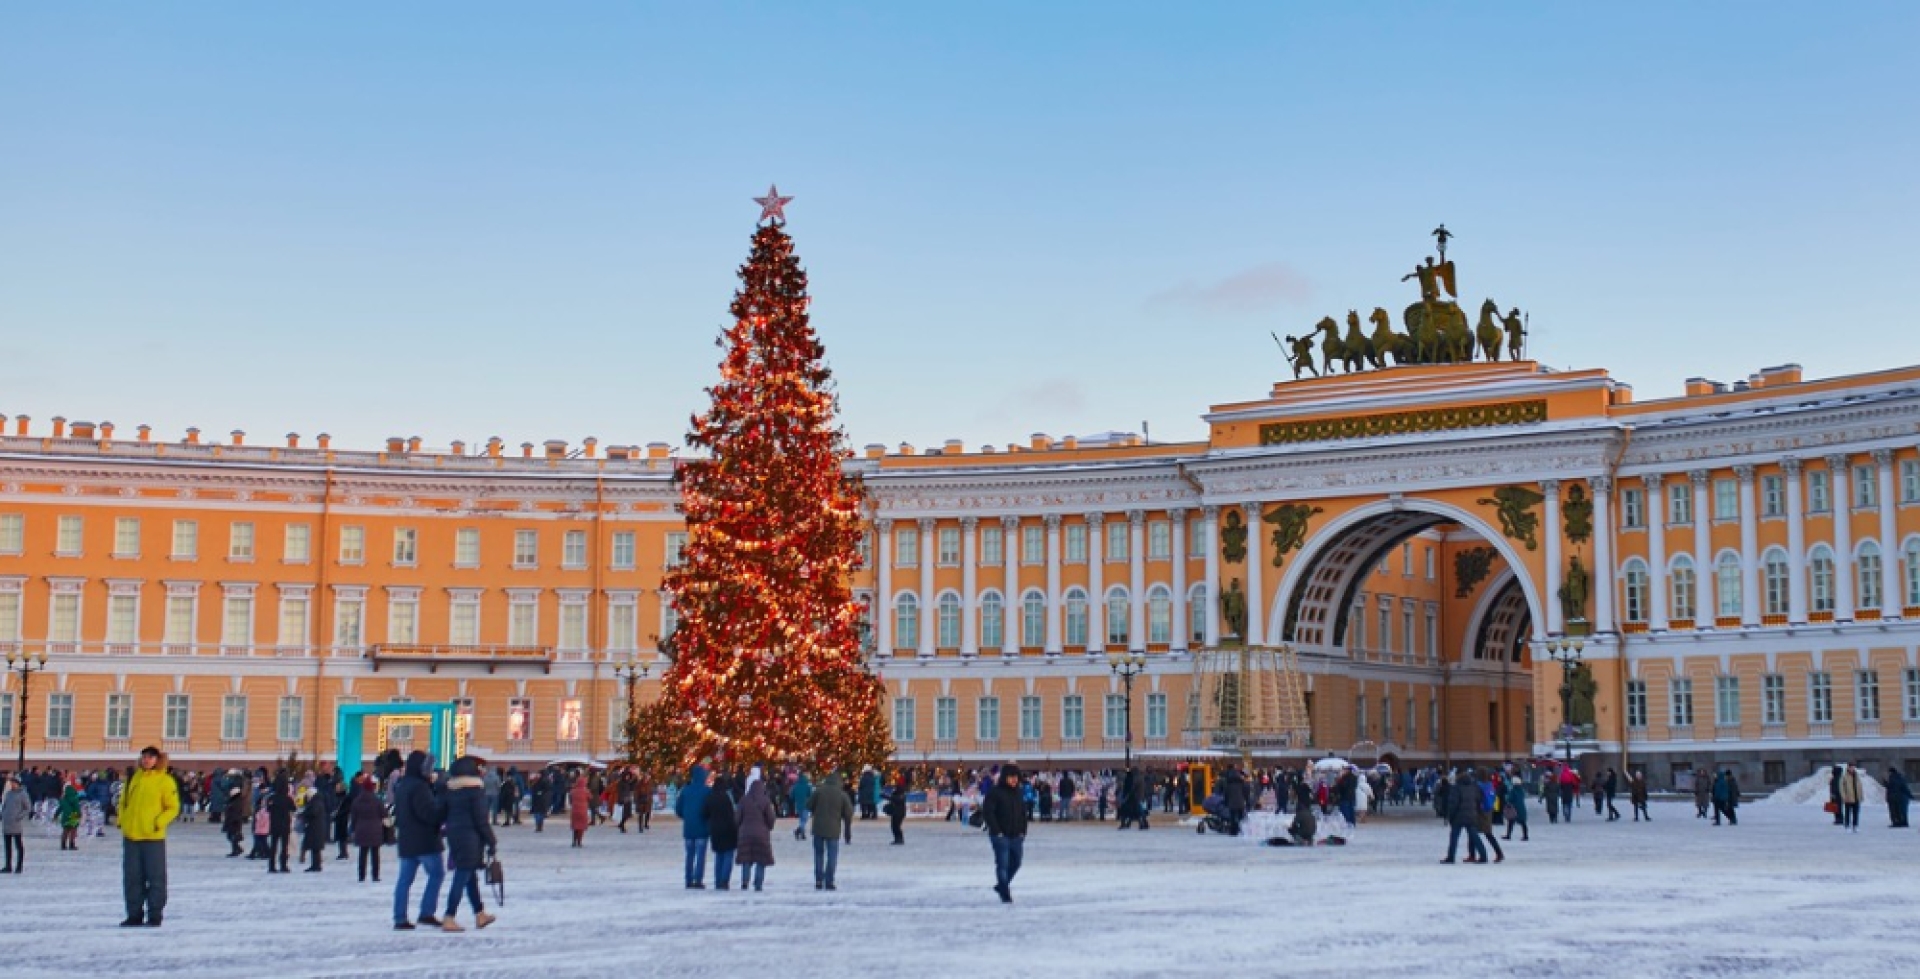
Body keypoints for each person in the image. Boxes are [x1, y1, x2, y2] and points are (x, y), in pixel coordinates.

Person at [120, 746, 180, 927]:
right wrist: (122, 820)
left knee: (155, 878)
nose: (146, 760)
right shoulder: (134, 778)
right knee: (132, 878)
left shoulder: (165, 781)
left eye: (150, 757)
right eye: (144, 757)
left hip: (153, 837)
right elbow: (123, 802)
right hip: (131, 836)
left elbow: (173, 807)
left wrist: (158, 822)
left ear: (157, 760)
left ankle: (155, 914)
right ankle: (134, 914)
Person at [439, 756, 497, 931]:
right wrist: (491, 840)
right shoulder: (475, 791)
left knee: (469, 876)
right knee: (462, 875)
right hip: (470, 837)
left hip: (455, 836)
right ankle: (449, 916)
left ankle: (480, 914)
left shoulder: (449, 791)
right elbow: (481, 819)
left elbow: (441, 813)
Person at [392, 750, 447, 931]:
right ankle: (426, 912)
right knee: (437, 874)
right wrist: (441, 811)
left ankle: (400, 916)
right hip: (425, 841)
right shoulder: (420, 787)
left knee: (404, 880)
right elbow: (428, 813)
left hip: (407, 840)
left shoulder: (402, 785)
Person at [982, 763, 1028, 903]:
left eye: (1016, 777)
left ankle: (1002, 885)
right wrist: (997, 831)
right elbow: (988, 812)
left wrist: (1022, 831)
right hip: (1000, 836)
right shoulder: (995, 792)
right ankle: (1005, 893)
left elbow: (1022, 813)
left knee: (1016, 862)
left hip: (1016, 835)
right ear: (1005, 777)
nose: (1014, 780)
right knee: (1002, 864)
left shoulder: (1018, 792)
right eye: (1011, 777)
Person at [735, 767, 777, 892]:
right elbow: (770, 818)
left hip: (745, 833)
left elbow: (737, 818)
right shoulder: (765, 801)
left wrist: (740, 827)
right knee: (761, 859)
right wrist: (769, 827)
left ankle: (745, 881)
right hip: (761, 834)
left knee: (746, 859)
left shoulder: (744, 800)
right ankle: (758, 883)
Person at [809, 770, 852, 891]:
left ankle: (818, 879)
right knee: (832, 855)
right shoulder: (842, 794)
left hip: (818, 828)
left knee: (818, 854)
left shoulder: (819, 791)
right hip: (833, 828)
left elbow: (808, 805)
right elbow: (848, 812)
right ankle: (829, 880)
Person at [674, 762, 713, 889]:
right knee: (700, 856)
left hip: (689, 829)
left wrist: (687, 817)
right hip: (702, 828)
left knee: (689, 855)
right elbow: (710, 809)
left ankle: (688, 879)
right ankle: (698, 879)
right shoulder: (707, 791)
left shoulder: (686, 790)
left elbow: (678, 809)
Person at [1441, 769, 1485, 865]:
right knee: (1475, 837)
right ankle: (1483, 855)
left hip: (1458, 816)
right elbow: (1479, 799)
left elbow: (1453, 804)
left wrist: (1450, 816)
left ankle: (1451, 857)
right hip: (1472, 815)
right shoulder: (1474, 787)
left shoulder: (1456, 788)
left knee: (1454, 837)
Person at [703, 773, 739, 890]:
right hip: (728, 829)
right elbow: (731, 814)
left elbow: (705, 813)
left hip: (715, 830)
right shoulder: (726, 798)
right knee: (728, 855)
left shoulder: (710, 797)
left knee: (719, 856)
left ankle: (718, 880)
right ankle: (724, 880)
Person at [349, 775, 387, 882]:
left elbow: (354, 817)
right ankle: (375, 875)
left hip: (361, 829)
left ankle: (361, 875)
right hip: (375, 829)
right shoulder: (377, 801)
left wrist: (353, 829)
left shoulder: (356, 801)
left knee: (362, 853)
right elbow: (384, 814)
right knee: (375, 854)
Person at [300, 776, 331, 871]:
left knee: (315, 848)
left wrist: (304, 814)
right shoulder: (317, 800)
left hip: (315, 828)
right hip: (316, 827)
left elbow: (313, 812)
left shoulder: (316, 802)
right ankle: (315, 865)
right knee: (315, 848)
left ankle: (316, 865)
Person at [265, 775, 294, 873]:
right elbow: (293, 808)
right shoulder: (288, 799)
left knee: (274, 845)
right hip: (285, 824)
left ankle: (271, 865)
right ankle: (283, 865)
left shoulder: (271, 798)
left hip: (274, 824)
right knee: (284, 846)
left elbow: (268, 809)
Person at [1, 774, 30, 873]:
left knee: (18, 845)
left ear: (18, 784)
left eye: (14, 783)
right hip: (7, 823)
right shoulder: (9, 794)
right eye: (11, 783)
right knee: (7, 846)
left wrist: (19, 816)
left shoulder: (22, 794)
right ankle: (8, 866)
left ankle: (19, 866)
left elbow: (27, 808)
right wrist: (3, 814)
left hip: (16, 824)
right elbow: (4, 805)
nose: (12, 785)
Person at [221, 785, 247, 857]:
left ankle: (236, 850)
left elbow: (236, 812)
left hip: (234, 821)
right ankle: (237, 849)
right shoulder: (233, 800)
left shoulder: (237, 801)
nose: (230, 793)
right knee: (231, 836)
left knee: (233, 836)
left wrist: (234, 821)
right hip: (231, 821)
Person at [1837, 763, 1863, 833]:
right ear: (1848, 768)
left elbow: (1860, 786)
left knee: (1856, 813)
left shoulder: (1856, 776)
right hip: (1848, 797)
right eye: (1851, 767)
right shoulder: (1844, 776)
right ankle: (1847, 826)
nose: (1852, 769)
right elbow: (1841, 787)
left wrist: (1861, 796)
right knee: (1847, 812)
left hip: (1856, 797)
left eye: (1853, 767)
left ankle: (1855, 825)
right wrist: (1844, 796)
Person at [58, 780, 83, 850]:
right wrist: (80, 814)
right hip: (74, 816)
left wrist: (55, 815)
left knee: (65, 830)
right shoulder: (75, 798)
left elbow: (60, 808)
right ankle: (71, 844)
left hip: (65, 816)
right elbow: (77, 808)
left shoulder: (63, 799)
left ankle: (63, 845)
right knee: (73, 831)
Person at [1503, 776, 1529, 842]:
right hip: (1521, 808)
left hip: (1514, 808)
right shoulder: (1521, 790)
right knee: (1523, 822)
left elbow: (1510, 799)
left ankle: (1508, 835)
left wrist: (1507, 800)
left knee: (1511, 822)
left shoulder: (1513, 790)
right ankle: (1525, 835)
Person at [885, 774, 908, 845]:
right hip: (896, 812)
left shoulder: (901, 792)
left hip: (899, 812)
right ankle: (897, 838)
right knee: (894, 826)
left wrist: (888, 797)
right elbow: (895, 799)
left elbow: (898, 800)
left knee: (896, 826)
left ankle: (899, 839)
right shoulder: (898, 791)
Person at [569, 773, 591, 848]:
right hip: (583, 811)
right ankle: (579, 842)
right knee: (581, 828)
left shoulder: (573, 791)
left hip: (575, 811)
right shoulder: (586, 791)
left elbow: (570, 801)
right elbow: (590, 798)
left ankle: (574, 841)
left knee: (575, 827)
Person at [790, 771, 814, 841]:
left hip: (798, 805)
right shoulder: (807, 785)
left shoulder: (795, 786)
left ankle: (802, 833)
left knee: (801, 819)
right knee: (804, 819)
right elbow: (811, 795)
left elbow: (791, 796)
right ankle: (798, 831)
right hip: (806, 804)